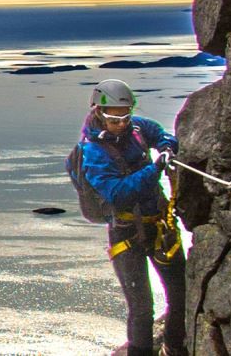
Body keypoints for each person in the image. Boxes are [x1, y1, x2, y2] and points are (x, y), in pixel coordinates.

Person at [77, 78, 189, 356]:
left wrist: (166, 146)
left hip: (159, 224)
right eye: (114, 118)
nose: (121, 123)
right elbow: (117, 193)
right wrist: (156, 168)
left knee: (180, 290)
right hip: (126, 232)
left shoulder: (137, 129)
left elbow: (160, 133)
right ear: (98, 113)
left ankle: (174, 349)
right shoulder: (93, 152)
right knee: (141, 308)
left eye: (124, 117)